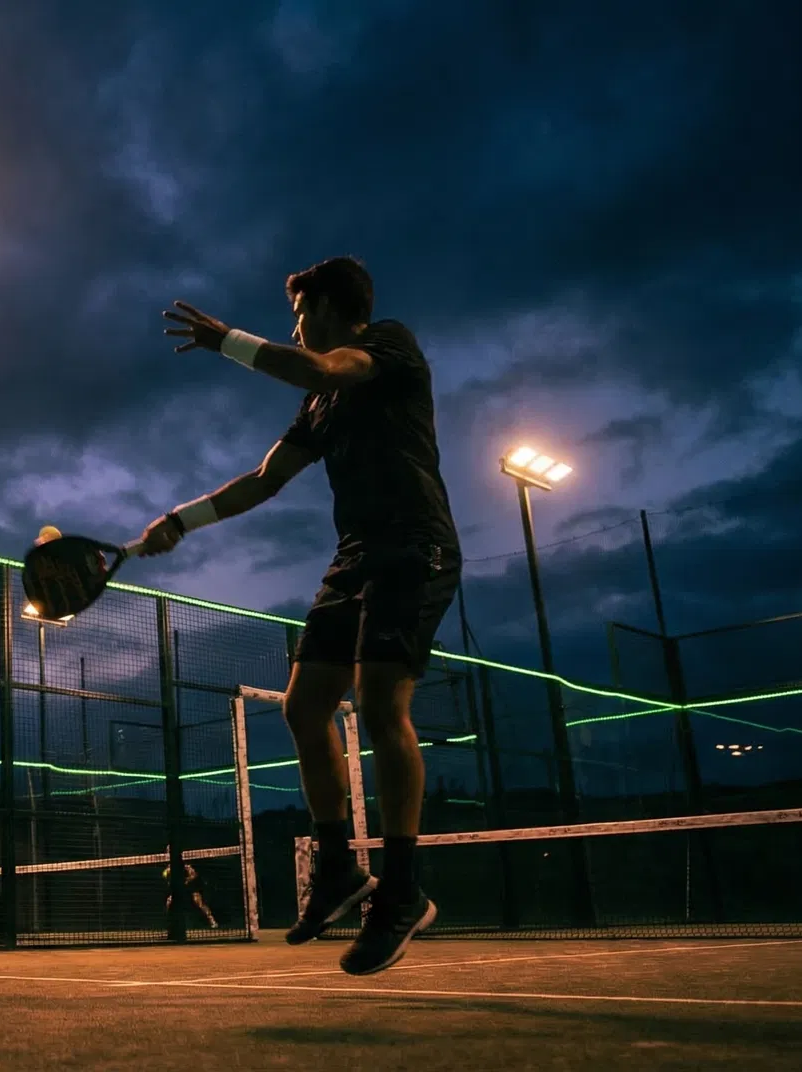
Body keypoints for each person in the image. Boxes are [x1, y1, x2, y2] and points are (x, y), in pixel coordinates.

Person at [150, 256, 461, 975]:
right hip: (354, 559)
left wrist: (227, 340)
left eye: (299, 314)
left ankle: (404, 892)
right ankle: (340, 872)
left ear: (327, 308)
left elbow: (325, 369)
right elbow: (264, 480)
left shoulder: (386, 346)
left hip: (415, 548)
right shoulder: (318, 406)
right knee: (303, 708)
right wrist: (182, 519)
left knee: (382, 704)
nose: (295, 326)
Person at [163, 851, 220, 929]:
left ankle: (212, 921)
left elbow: (194, 874)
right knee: (169, 902)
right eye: (168, 851)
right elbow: (166, 877)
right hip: (179, 889)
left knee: (199, 903)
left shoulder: (184, 863)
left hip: (191, 888)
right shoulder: (169, 865)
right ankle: (170, 924)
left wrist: (186, 881)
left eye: (170, 851)